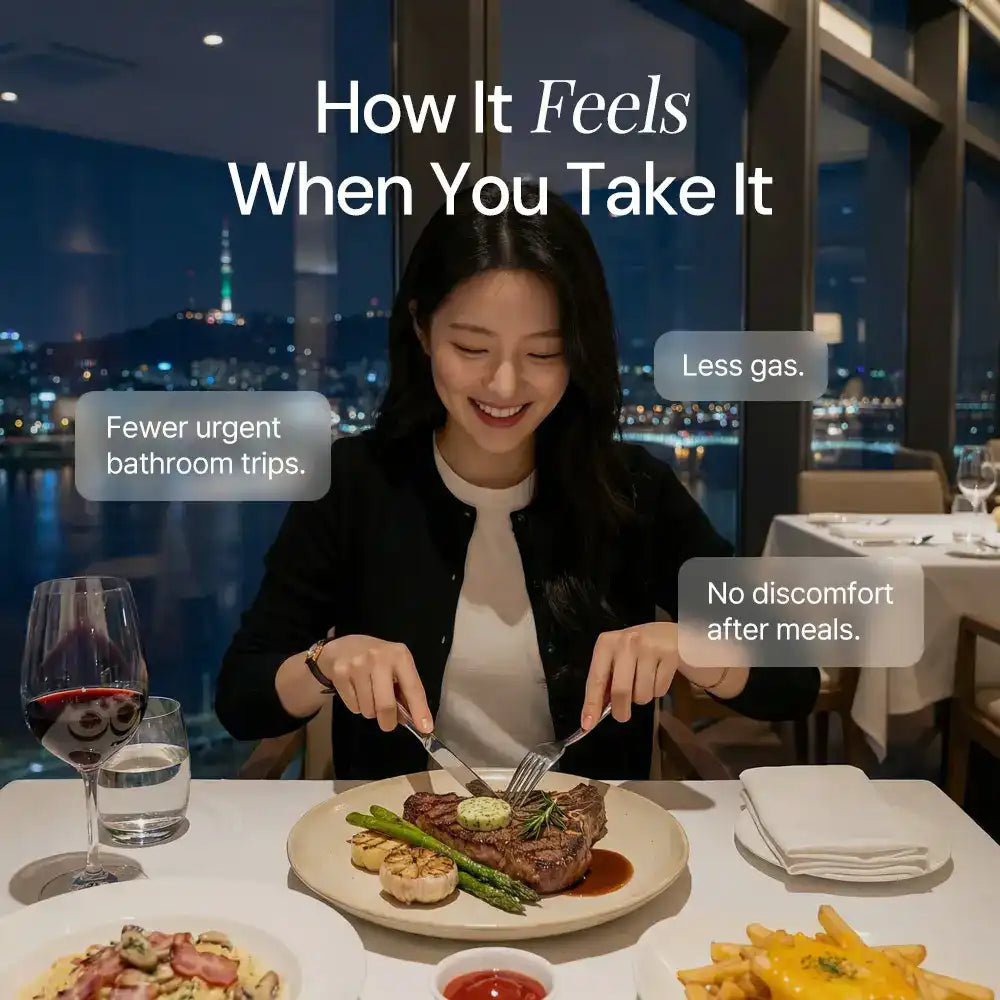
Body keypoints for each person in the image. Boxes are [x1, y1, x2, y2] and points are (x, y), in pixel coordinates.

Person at [215, 185, 819, 780]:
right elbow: (242, 696)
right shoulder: (353, 484)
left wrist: (696, 646)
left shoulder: (633, 490)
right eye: (472, 347)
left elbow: (793, 680)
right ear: (423, 330)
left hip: (595, 856)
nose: (504, 386)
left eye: (543, 353)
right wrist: (324, 664)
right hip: (398, 852)